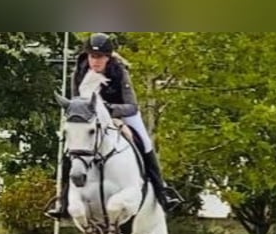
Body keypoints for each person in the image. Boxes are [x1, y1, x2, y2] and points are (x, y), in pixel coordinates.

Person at [45, 32, 181, 220]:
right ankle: (62, 201)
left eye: (100, 57)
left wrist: (108, 111)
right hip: (91, 119)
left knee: (145, 142)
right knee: (73, 148)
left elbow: (131, 107)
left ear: (108, 57)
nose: (96, 61)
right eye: (93, 56)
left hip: (121, 114)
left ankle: (162, 192)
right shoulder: (80, 71)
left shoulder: (119, 72)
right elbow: (77, 103)